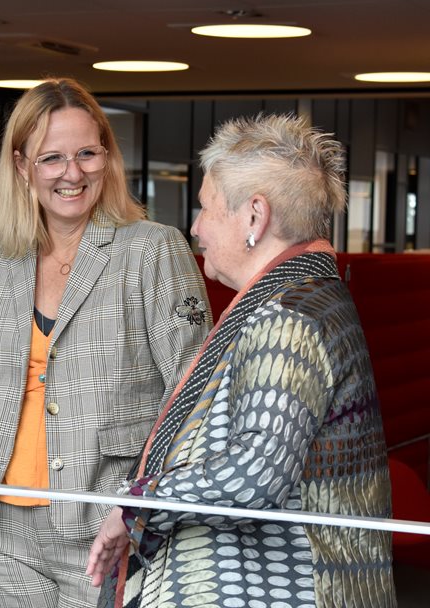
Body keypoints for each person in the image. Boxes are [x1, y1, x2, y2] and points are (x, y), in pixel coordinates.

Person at [87, 114, 396, 608]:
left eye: (206, 207)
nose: (195, 226)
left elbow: (256, 473)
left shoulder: (289, 316)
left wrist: (136, 506)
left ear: (255, 216)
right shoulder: (304, 294)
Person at [0, 77, 210, 608]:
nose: (72, 173)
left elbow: (193, 396)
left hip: (104, 524)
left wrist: (138, 505)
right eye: (52, 158)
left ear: (107, 157)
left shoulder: (152, 251)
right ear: (22, 166)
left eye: (88, 153)